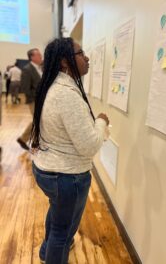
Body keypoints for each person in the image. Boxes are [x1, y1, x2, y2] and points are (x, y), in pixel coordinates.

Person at [31, 37, 109, 264]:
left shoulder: (53, 85)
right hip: (66, 177)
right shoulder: (66, 94)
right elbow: (90, 146)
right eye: (81, 53)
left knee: (56, 218)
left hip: (48, 170)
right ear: (65, 61)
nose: (87, 58)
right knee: (62, 234)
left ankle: (47, 251)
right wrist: (102, 122)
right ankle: (53, 250)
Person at [17, 48, 43, 150]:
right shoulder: (27, 69)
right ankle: (25, 139)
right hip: (33, 100)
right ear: (32, 57)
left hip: (41, 100)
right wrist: (36, 96)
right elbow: (25, 88)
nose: (41, 56)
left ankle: (34, 141)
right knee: (37, 120)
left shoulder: (39, 68)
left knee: (39, 121)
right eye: (39, 55)